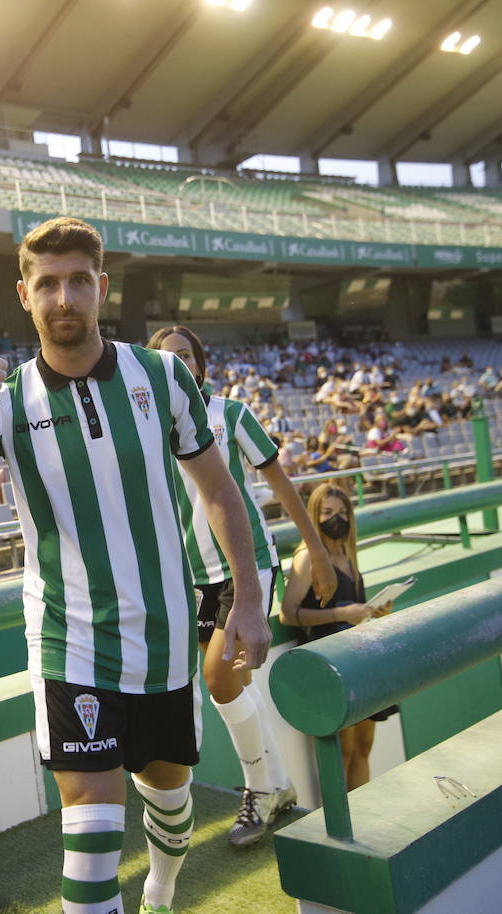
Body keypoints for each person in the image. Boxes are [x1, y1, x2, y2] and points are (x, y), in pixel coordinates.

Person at [0, 217, 267, 914]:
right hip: (72, 645)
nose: (63, 297)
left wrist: (246, 599)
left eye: (76, 282)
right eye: (47, 284)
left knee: (172, 804)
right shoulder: (4, 403)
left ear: (101, 288)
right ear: (24, 295)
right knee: (93, 830)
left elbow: (220, 490)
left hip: (165, 642)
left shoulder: (161, 377)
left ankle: (160, 891)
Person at [148, 325, 337, 846]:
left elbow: (282, 487)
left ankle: (260, 789)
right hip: (191, 576)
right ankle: (277, 785)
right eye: (167, 359)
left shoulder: (231, 415)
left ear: (201, 364)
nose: (179, 364)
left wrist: (317, 552)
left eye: (186, 355)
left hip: (245, 566)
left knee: (220, 679)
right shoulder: (149, 432)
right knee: (235, 686)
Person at [279, 484, 393, 790]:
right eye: (327, 512)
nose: (336, 519)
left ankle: (363, 812)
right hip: (331, 662)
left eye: (342, 513)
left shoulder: (345, 551)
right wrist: (340, 615)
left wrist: (372, 610)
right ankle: (344, 825)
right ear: (314, 515)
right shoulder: (308, 557)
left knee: (363, 747)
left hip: (359, 657)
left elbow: (351, 606)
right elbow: (287, 613)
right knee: (341, 751)